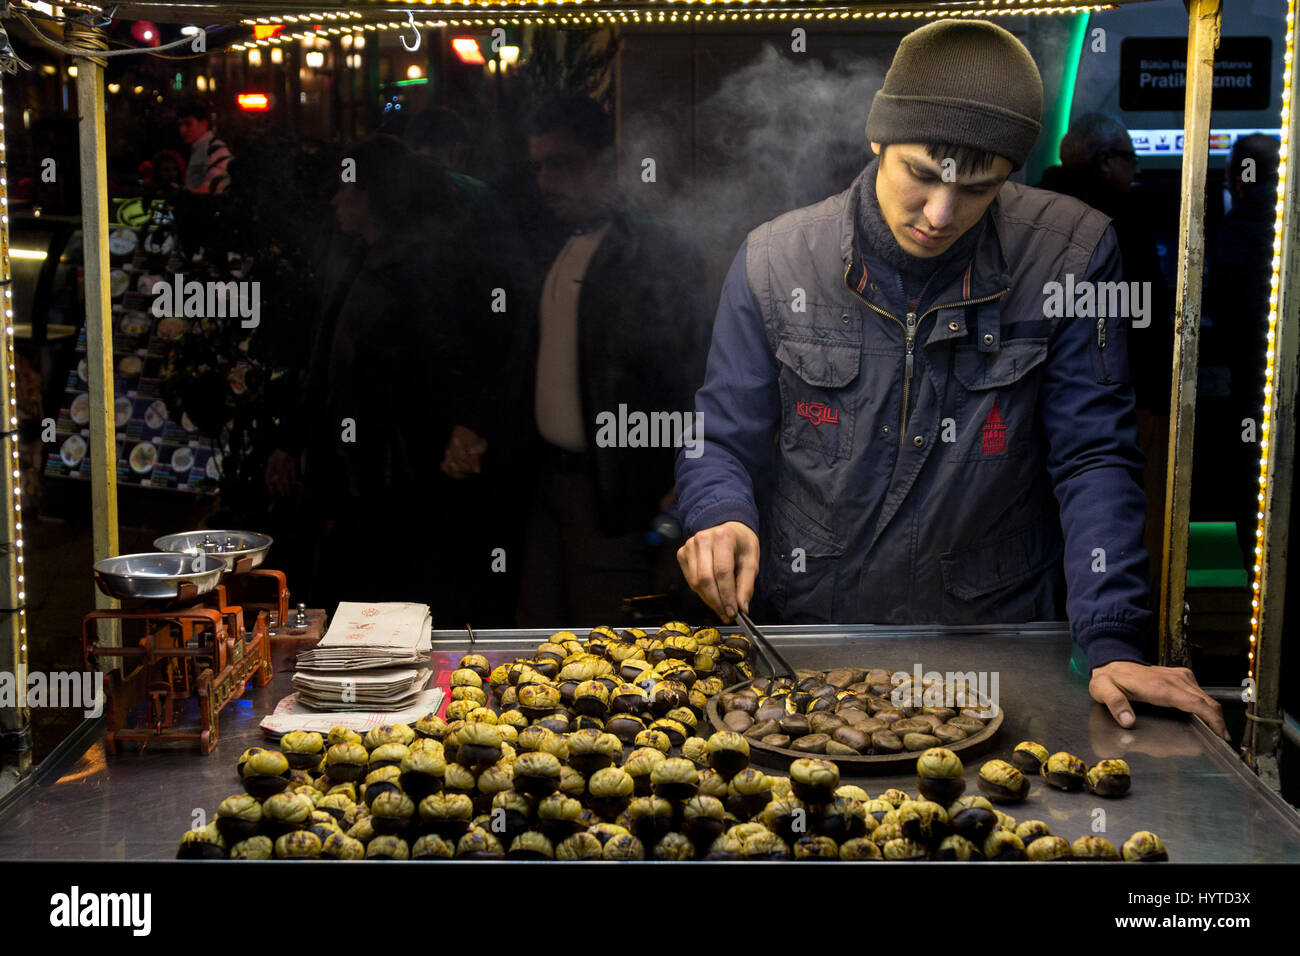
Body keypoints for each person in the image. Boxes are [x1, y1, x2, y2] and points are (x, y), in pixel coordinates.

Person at [674, 21, 1227, 739]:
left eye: (979, 188)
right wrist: (719, 511)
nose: (940, 214)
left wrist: (1113, 640)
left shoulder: (1072, 256)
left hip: (999, 650)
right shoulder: (774, 262)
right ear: (879, 139)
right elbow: (719, 435)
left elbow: (1093, 457)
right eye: (923, 174)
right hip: (808, 647)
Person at [442, 95, 712, 625]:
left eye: (562, 163)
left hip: (618, 491)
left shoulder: (656, 252)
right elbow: (521, 358)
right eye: (538, 165)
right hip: (545, 483)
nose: (545, 180)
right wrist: (481, 426)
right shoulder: (549, 246)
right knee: (537, 633)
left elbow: (693, 369)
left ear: (606, 162)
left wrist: (687, 471)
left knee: (610, 645)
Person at [266, 135, 468, 609]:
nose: (336, 198)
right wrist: (295, 439)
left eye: (346, 187)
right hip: (358, 473)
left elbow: (429, 375)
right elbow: (325, 361)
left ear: (377, 194)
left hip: (392, 481)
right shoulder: (358, 259)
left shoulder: (418, 273)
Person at [1037, 113, 1175, 603]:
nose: (1135, 172)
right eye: (1131, 160)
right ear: (1105, 160)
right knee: (1116, 507)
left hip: (1031, 404)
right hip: (1125, 396)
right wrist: (1159, 398)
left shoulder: (1033, 216)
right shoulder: (1117, 221)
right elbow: (1147, 318)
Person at [1201, 133, 1281, 563]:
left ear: (1237, 176)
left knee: (1251, 479)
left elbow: (1224, 299)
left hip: (1252, 376)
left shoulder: (1241, 220)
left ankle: (1257, 567)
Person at [178, 99, 234, 195]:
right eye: (180, 125)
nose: (182, 130)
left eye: (188, 124)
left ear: (203, 124)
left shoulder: (216, 149)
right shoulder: (200, 148)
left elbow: (213, 187)